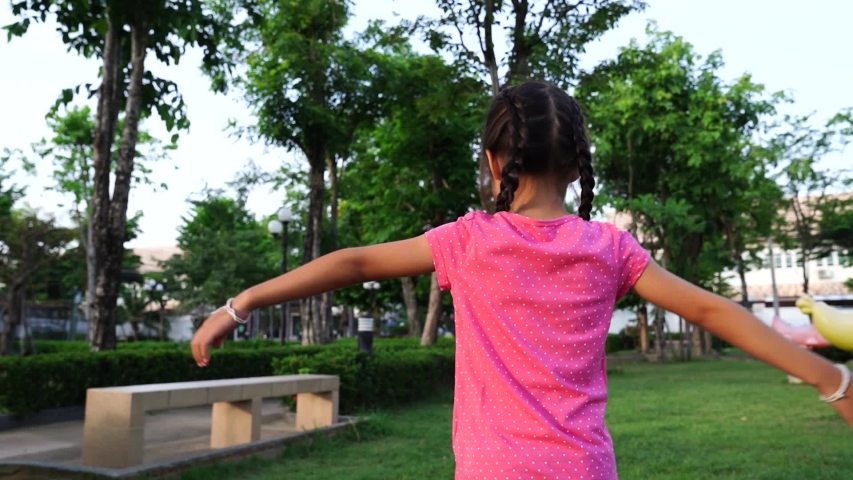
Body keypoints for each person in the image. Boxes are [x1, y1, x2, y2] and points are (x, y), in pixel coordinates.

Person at [191, 81, 852, 479]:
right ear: (577, 165)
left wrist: (241, 301)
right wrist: (831, 379)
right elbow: (712, 312)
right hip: (585, 469)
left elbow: (355, 262)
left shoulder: (469, 243)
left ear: (490, 159)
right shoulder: (607, 248)